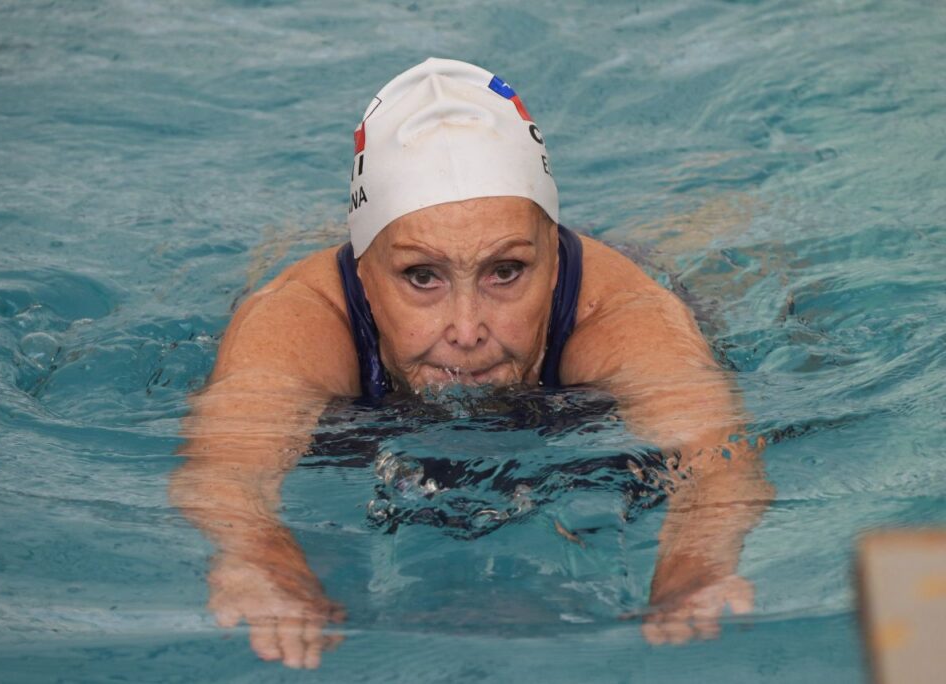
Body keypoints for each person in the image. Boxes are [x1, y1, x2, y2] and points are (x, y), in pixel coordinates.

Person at [170, 58, 774, 670]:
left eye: (505, 272)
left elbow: (719, 462)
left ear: (556, 264)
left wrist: (693, 574)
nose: (466, 330)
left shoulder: (623, 315)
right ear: (362, 273)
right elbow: (224, 474)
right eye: (421, 277)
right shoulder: (297, 319)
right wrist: (258, 559)